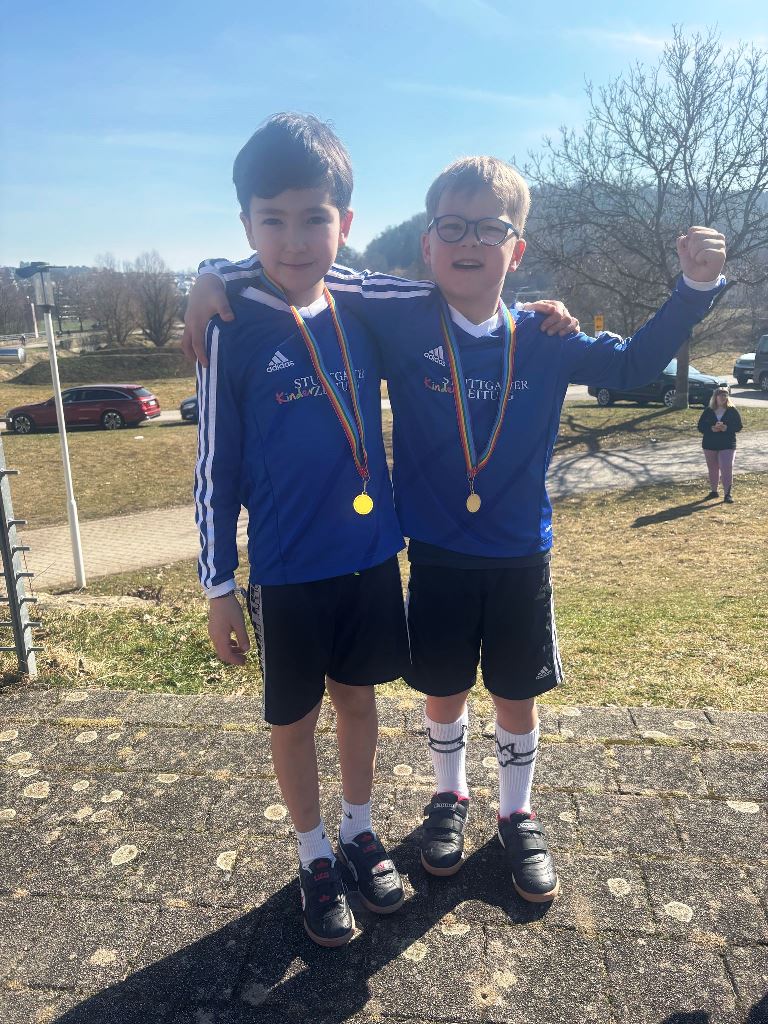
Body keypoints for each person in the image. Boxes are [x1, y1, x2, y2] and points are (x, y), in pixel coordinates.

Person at [186, 151, 726, 907]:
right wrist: (210, 275)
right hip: (433, 555)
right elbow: (302, 256)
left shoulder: (546, 336)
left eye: (489, 229)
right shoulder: (401, 314)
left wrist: (693, 290)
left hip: (519, 556)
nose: (469, 242)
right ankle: (449, 796)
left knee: (515, 693)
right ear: (427, 243)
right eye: (452, 227)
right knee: (442, 688)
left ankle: (517, 813)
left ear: (517, 248)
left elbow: (635, 363)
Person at [697, 386, 742, 502]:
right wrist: (711, 428)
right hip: (710, 443)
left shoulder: (732, 410)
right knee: (712, 468)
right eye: (721, 395)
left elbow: (738, 426)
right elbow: (700, 426)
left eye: (725, 395)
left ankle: (727, 494)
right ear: (715, 397)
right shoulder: (708, 411)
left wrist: (727, 428)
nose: (723, 397)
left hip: (727, 443)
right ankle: (714, 491)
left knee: (726, 467)